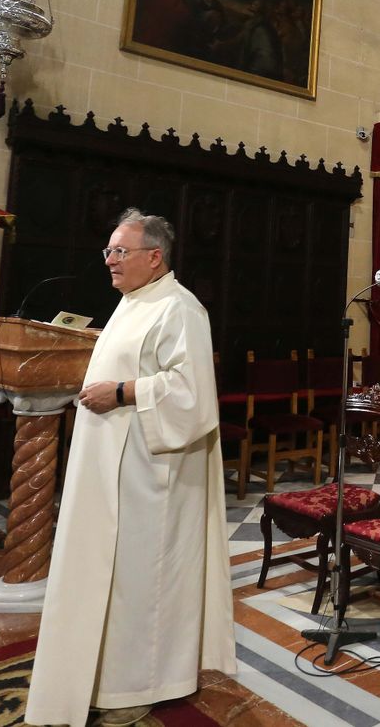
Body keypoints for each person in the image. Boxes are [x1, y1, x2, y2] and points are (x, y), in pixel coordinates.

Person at [25, 210, 235, 727]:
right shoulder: (133, 302)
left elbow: (192, 395)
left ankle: (140, 683)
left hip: (153, 474)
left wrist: (121, 392)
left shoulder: (180, 308)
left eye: (120, 251)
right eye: (109, 251)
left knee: (143, 579)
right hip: (115, 466)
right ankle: (105, 673)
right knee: (112, 575)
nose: (110, 261)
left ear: (154, 256)